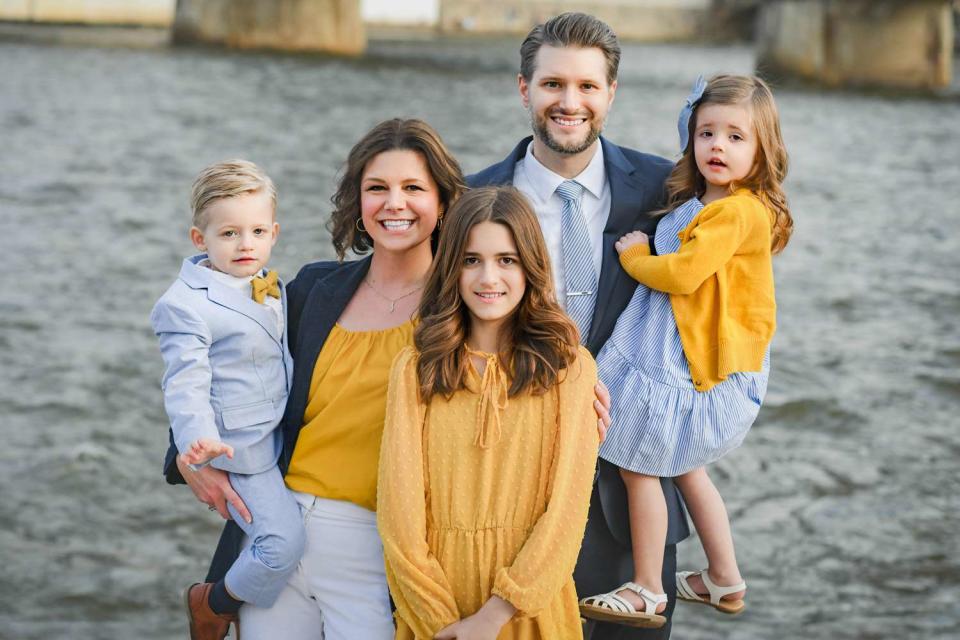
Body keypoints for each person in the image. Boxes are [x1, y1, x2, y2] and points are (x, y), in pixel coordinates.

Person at [162, 120, 611, 639]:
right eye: (377, 188)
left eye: (414, 188)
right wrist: (184, 454)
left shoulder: (469, 306)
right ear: (358, 203)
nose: (394, 203)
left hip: (383, 547)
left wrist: (580, 397)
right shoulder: (313, 290)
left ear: (444, 203)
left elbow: (532, 366)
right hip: (280, 527)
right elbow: (221, 363)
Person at [467, 12, 689, 638]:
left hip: (625, 493)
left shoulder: (664, 189)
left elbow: (735, 274)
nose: (570, 103)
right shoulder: (471, 198)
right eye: (552, 85)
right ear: (524, 89)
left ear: (610, 93)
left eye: (588, 87)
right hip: (502, 489)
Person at [578, 75, 793, 627]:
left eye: (735, 137)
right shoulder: (709, 201)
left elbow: (683, 273)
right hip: (673, 348)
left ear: (763, 149)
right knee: (689, 470)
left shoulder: (738, 211)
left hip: (677, 360)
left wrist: (634, 255)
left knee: (638, 467)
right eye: (706, 133)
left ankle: (648, 587)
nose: (717, 146)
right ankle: (724, 578)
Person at [378, 186, 600, 639]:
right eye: (471, 260)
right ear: (452, 268)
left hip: (531, 609)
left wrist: (494, 616)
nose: (488, 278)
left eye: (507, 260)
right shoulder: (416, 368)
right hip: (434, 611)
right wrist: (443, 622)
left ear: (530, 266)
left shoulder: (569, 367)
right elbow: (398, 516)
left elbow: (566, 512)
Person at [150, 159, 303, 640]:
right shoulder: (185, 304)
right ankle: (213, 602)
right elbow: (184, 382)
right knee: (282, 544)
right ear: (201, 240)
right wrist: (198, 444)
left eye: (257, 231)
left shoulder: (270, 284)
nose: (245, 245)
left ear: (274, 232)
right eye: (230, 234)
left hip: (281, 434)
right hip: (241, 450)